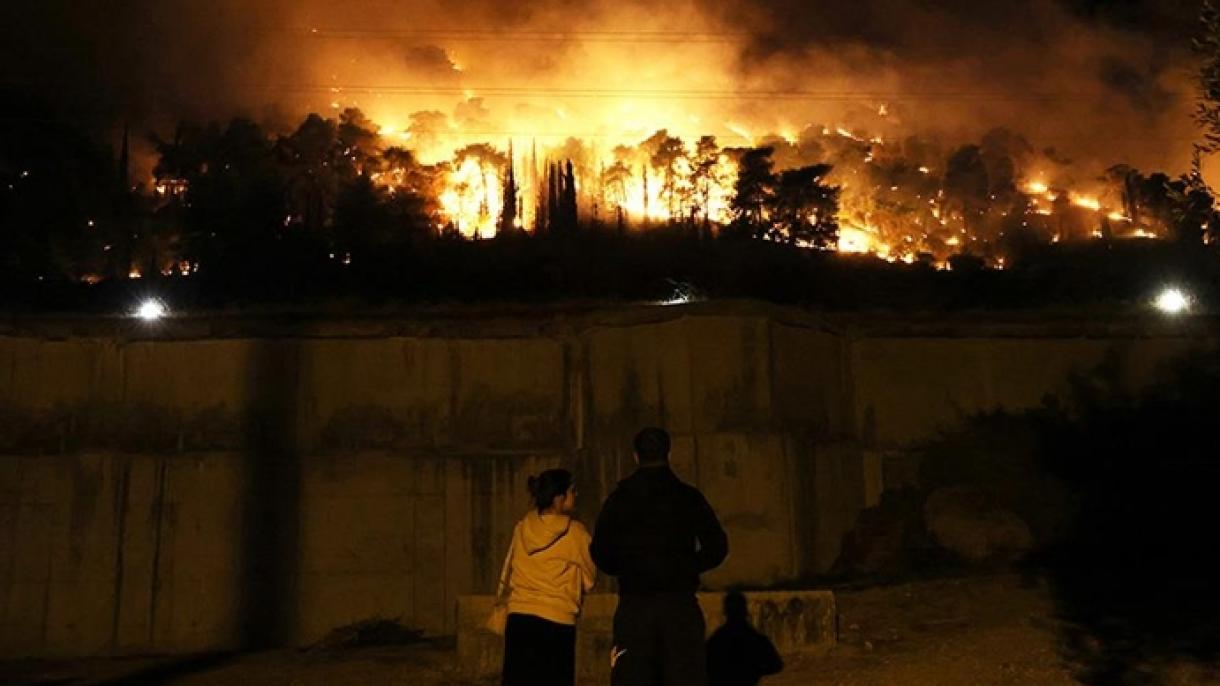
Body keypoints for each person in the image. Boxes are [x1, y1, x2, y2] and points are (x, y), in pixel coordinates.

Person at [591, 427, 729, 686]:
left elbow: (600, 551)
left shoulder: (620, 499)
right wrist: (688, 566)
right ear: (668, 453)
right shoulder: (688, 497)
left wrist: (626, 567)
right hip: (679, 604)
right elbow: (717, 546)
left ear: (635, 456)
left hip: (635, 605)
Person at [498, 469, 597, 686]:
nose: (576, 495)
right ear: (559, 499)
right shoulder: (575, 533)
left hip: (519, 619)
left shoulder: (522, 528)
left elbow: (509, 567)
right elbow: (590, 578)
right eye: (573, 491)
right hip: (557, 620)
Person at [706, 591, 783, 686]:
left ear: (726, 612)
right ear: (745, 612)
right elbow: (776, 665)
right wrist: (754, 670)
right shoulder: (755, 639)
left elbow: (705, 665)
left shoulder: (717, 639)